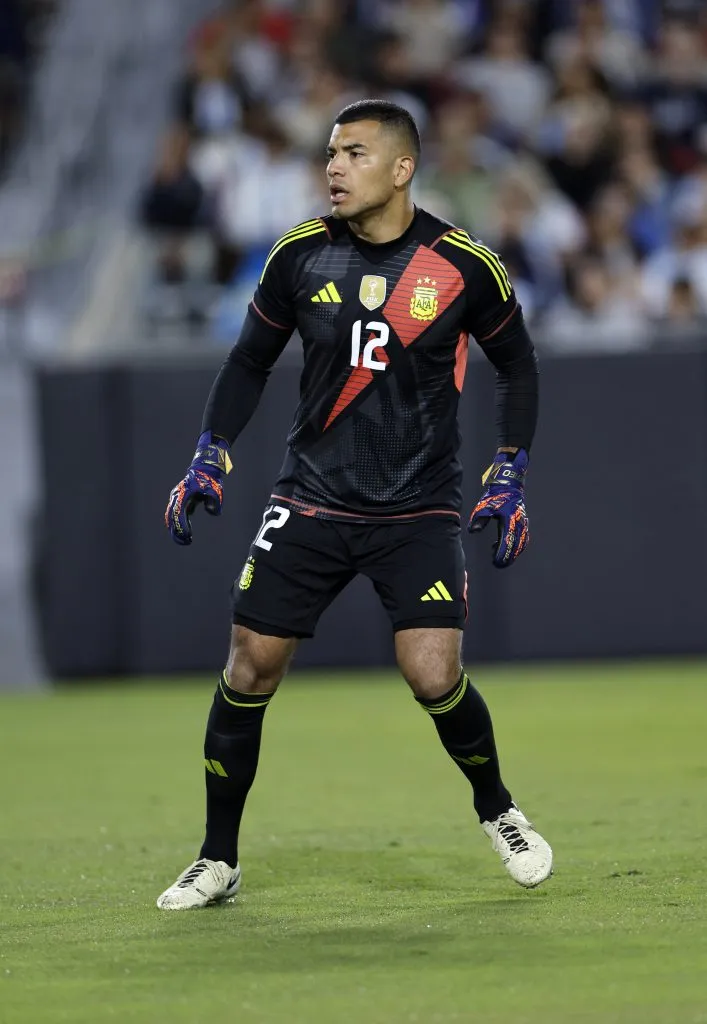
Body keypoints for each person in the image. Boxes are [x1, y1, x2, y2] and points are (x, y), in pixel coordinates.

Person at [159, 99, 552, 910]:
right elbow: (247, 362)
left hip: (417, 507)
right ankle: (217, 858)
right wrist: (210, 450)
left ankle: (498, 810)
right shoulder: (300, 255)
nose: (333, 166)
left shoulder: (463, 264)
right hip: (310, 499)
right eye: (331, 152)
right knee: (248, 665)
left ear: (401, 168)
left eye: (354, 153)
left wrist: (508, 468)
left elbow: (517, 365)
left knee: (431, 671)